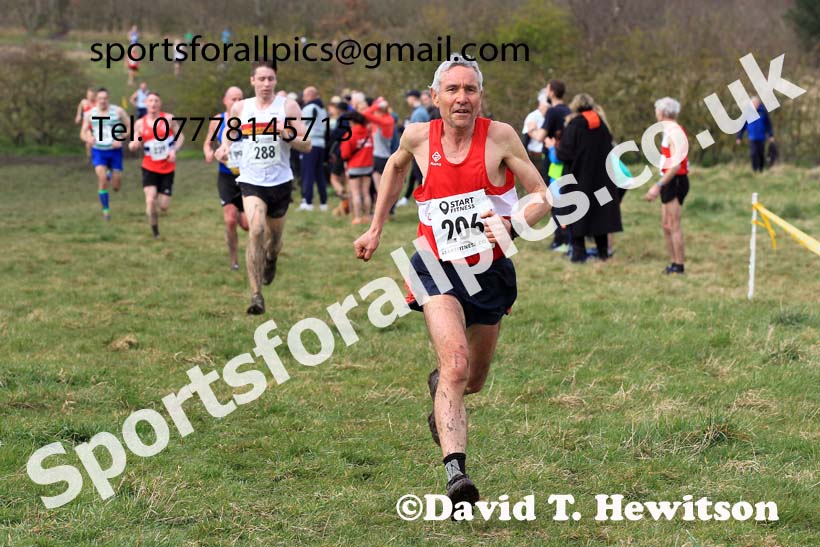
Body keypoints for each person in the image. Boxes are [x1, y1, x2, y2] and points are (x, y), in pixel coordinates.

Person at [354, 56, 549, 506]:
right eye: (453, 89)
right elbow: (396, 167)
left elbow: (542, 195)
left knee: (472, 380)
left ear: (481, 95)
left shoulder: (500, 137)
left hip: (490, 269)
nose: (462, 98)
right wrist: (376, 227)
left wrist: (514, 224)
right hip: (435, 265)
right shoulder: (418, 136)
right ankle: (456, 475)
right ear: (435, 96)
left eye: (471, 90)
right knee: (457, 366)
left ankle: (441, 390)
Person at [215, 62, 311, 315]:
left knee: (275, 240)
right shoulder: (240, 107)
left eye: (270, 79)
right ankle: (256, 296)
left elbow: (307, 144)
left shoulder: (288, 107)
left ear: (276, 80)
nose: (266, 84)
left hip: (280, 182)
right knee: (256, 229)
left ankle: (271, 258)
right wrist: (224, 147)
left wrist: (285, 133)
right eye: (261, 79)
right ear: (252, 81)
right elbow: (229, 134)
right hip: (251, 179)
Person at [555, 93, 622, 263]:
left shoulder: (574, 125)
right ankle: (602, 253)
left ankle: (578, 254)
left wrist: (556, 146)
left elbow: (564, 153)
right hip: (602, 180)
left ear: (575, 106)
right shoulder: (602, 124)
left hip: (579, 180)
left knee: (577, 214)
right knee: (600, 214)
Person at [128, 92, 185, 239]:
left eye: (156, 101)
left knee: (164, 206)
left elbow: (181, 137)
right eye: (150, 101)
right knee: (150, 199)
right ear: (146, 104)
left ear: (160, 103)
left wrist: (174, 150)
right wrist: (134, 144)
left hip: (167, 168)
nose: (153, 104)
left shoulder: (169, 118)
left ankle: (158, 215)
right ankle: (155, 231)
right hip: (149, 167)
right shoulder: (140, 123)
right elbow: (135, 141)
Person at [204, 86, 249, 270]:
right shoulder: (218, 120)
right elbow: (208, 143)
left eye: (240, 99)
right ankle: (234, 261)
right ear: (225, 100)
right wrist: (208, 153)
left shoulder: (250, 119)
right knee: (230, 220)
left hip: (248, 177)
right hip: (227, 176)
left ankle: (258, 257)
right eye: (233, 99)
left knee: (247, 225)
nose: (237, 102)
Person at [644, 97, 689, 274]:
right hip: (671, 179)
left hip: (674, 180)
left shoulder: (674, 132)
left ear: (661, 113)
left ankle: (679, 265)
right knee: (666, 225)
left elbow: (676, 165)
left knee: (674, 224)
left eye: (656, 111)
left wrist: (658, 186)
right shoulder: (668, 130)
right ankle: (673, 262)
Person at [533, 80, 571, 251]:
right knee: (565, 199)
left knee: (555, 201)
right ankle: (567, 237)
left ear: (552, 92)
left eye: (548, 89)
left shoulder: (552, 112)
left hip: (555, 163)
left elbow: (541, 136)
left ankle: (560, 240)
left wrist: (531, 129)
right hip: (567, 162)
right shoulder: (569, 110)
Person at [81, 88, 129, 220]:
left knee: (116, 186)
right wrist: (88, 139)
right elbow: (83, 132)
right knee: (101, 180)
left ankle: (111, 176)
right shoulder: (90, 114)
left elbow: (129, 126)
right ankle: (106, 211)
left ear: (109, 99)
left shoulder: (118, 111)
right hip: (98, 151)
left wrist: (120, 138)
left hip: (115, 151)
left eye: (105, 98)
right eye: (100, 98)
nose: (103, 101)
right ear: (96, 99)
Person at [395, 90, 430, 208]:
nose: (407, 100)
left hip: (419, 149)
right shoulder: (418, 112)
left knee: (420, 175)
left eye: (408, 98)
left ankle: (424, 200)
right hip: (420, 149)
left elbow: (418, 134)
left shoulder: (419, 113)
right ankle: (411, 198)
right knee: (415, 175)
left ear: (413, 98)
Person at [298, 86, 329, 211]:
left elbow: (301, 125)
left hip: (310, 143)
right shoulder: (322, 109)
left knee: (308, 173)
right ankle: (323, 202)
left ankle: (308, 201)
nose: (303, 98)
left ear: (310, 95)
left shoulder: (309, 108)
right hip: (321, 143)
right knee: (319, 173)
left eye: (305, 95)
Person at [341, 111, 374, 225]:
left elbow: (345, 153)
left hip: (354, 166)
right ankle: (368, 215)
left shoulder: (350, 134)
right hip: (368, 165)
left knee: (355, 193)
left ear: (353, 122)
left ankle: (357, 217)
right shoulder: (368, 133)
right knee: (366, 192)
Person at [362, 96, 395, 195]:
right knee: (383, 187)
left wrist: (375, 106)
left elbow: (366, 113)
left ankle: (384, 208)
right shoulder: (386, 119)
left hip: (379, 157)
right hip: (383, 156)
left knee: (381, 188)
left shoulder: (384, 121)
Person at [736, 96, 774, 173]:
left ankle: (761, 170)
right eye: (753, 103)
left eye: (756, 103)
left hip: (762, 137)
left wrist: (771, 135)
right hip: (752, 137)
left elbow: (768, 125)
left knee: (761, 154)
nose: (755, 105)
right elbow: (742, 126)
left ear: (759, 104)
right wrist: (739, 137)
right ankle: (754, 170)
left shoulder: (763, 111)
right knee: (753, 153)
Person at [522, 89, 548, 178]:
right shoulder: (532, 116)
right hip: (535, 157)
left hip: (548, 155)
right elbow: (525, 139)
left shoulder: (552, 115)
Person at [75, 87, 97, 158]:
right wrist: (78, 115)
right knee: (89, 142)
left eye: (92, 96)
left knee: (96, 142)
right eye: (89, 95)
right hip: (86, 126)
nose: (90, 97)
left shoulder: (97, 103)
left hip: (95, 125)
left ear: (94, 95)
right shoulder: (84, 102)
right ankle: (89, 156)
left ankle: (96, 155)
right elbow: (80, 106)